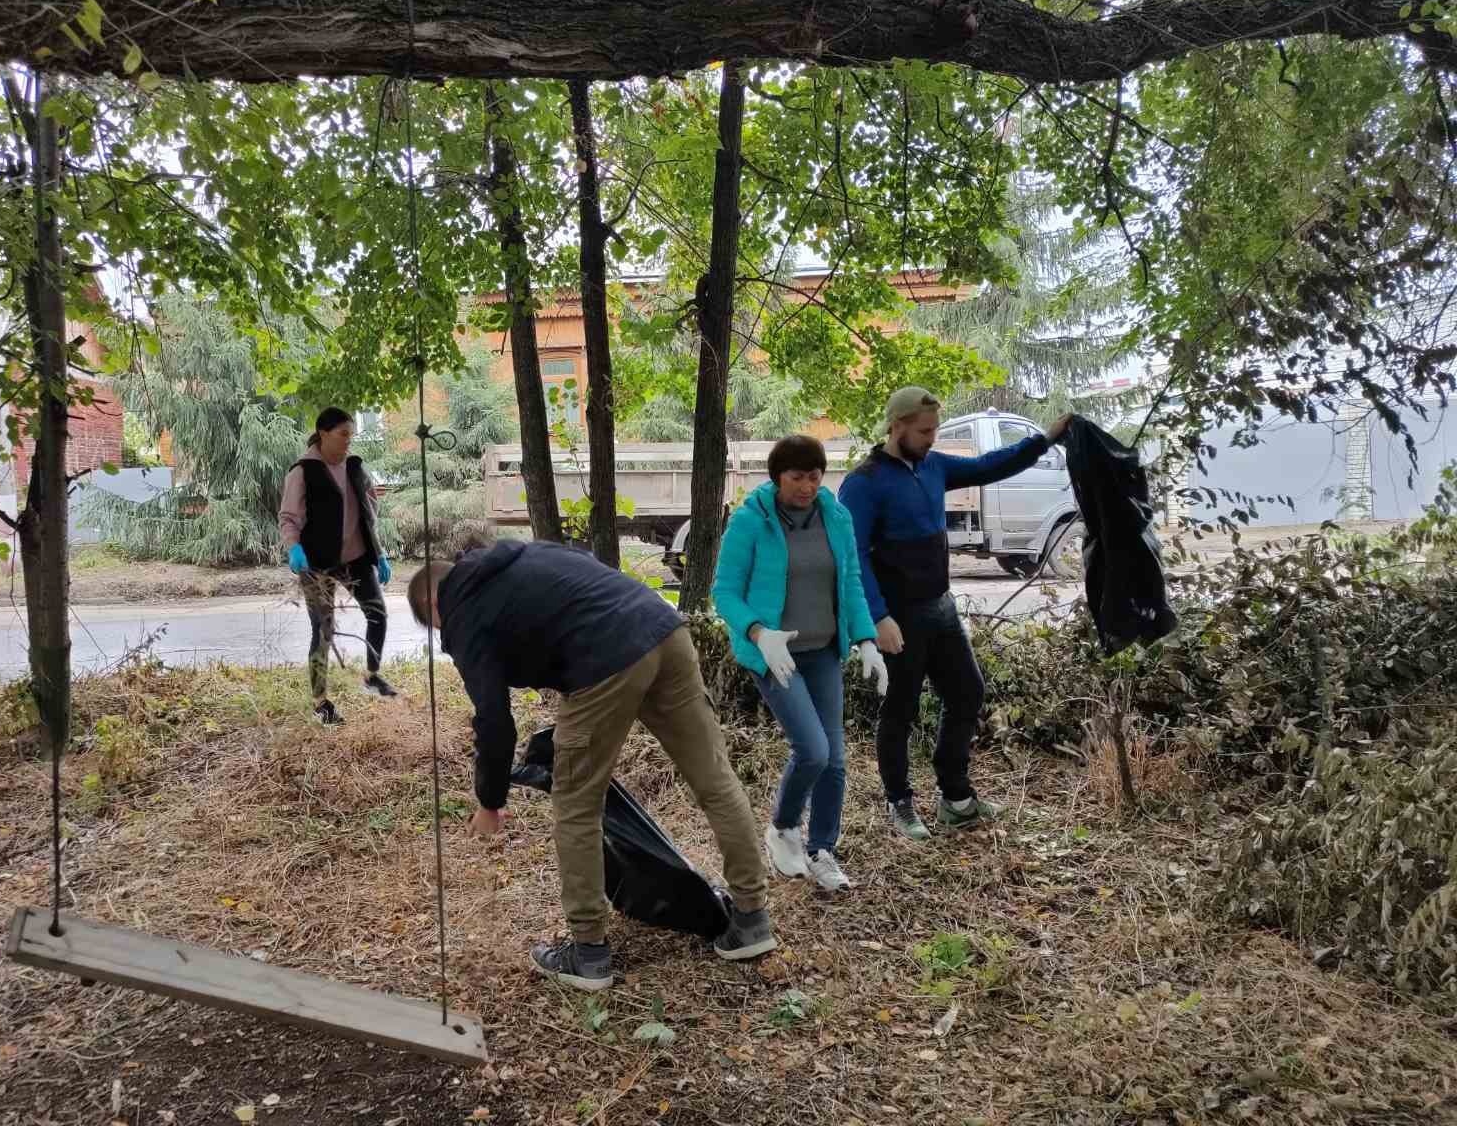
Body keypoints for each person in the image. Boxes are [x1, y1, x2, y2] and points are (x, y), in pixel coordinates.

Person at [408, 540, 776, 991]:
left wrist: (490, 801)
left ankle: (589, 955)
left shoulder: (463, 610)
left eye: (437, 626)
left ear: (433, 603)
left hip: (604, 661)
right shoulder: (522, 555)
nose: (444, 632)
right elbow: (584, 579)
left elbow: (494, 721)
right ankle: (752, 920)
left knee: (576, 806)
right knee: (715, 781)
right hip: (664, 629)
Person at [838, 389, 1071, 840]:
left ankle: (956, 798)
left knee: (967, 692)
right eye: (924, 431)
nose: (931, 439)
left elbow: (988, 466)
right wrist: (878, 617)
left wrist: (1044, 440)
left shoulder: (933, 466)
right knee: (901, 708)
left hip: (940, 607)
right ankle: (899, 802)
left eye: (934, 431)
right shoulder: (864, 483)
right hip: (898, 617)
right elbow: (852, 556)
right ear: (896, 426)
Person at [711, 434, 888, 892]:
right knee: (812, 750)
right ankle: (783, 827)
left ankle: (821, 850)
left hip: (824, 650)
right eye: (797, 477)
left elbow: (850, 581)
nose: (807, 486)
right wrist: (758, 632)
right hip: (775, 655)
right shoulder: (751, 521)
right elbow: (724, 591)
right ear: (777, 477)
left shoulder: (835, 517)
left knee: (834, 760)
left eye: (814, 476)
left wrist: (866, 639)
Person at [279, 407, 396, 724]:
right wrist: (294, 548)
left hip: (356, 558)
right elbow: (288, 518)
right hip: (316, 562)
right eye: (343, 434)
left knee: (378, 614)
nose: (349, 440)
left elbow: (369, 515)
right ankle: (321, 703)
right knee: (323, 630)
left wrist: (379, 553)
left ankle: (372, 676)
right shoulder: (302, 472)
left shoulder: (355, 467)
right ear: (323, 433)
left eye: (351, 435)